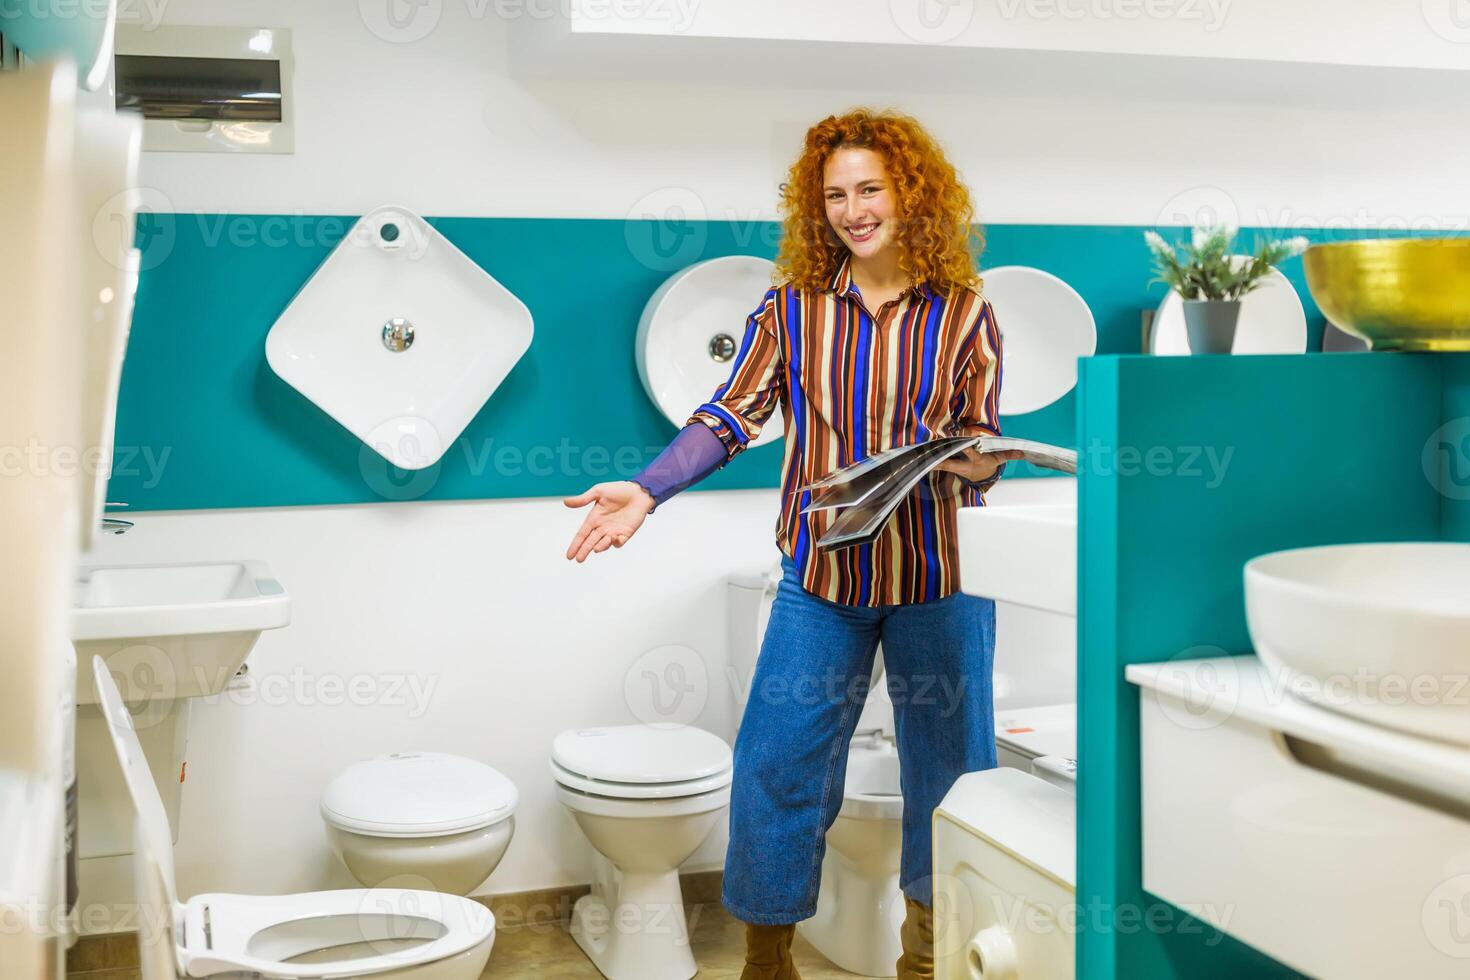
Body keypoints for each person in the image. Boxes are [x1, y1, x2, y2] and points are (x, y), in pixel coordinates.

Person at [564, 107, 1017, 980]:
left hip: (941, 579)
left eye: (870, 189)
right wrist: (648, 487)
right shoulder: (793, 308)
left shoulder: (966, 316)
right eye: (835, 195)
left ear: (911, 194)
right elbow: (732, 412)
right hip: (824, 579)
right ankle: (766, 962)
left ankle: (925, 960)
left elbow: (978, 443)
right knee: (776, 763)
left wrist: (979, 464)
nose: (852, 209)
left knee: (952, 775)